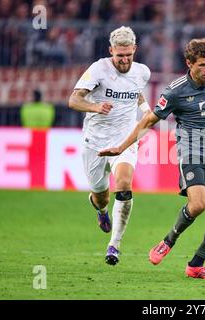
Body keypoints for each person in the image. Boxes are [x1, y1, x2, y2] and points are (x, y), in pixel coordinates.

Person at [98, 38, 205, 280]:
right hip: (192, 154)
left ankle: (196, 265)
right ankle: (168, 240)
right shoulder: (175, 91)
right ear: (189, 63)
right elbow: (149, 121)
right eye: (202, 65)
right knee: (199, 204)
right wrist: (121, 147)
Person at [68, 26, 151, 266]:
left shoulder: (142, 72)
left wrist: (146, 113)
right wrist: (96, 107)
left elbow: (136, 93)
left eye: (128, 55)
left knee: (124, 185)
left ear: (134, 50)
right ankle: (101, 210)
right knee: (101, 197)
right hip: (94, 142)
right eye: (119, 56)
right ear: (111, 50)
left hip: (124, 140)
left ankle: (114, 245)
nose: (124, 60)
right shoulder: (98, 69)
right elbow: (74, 100)